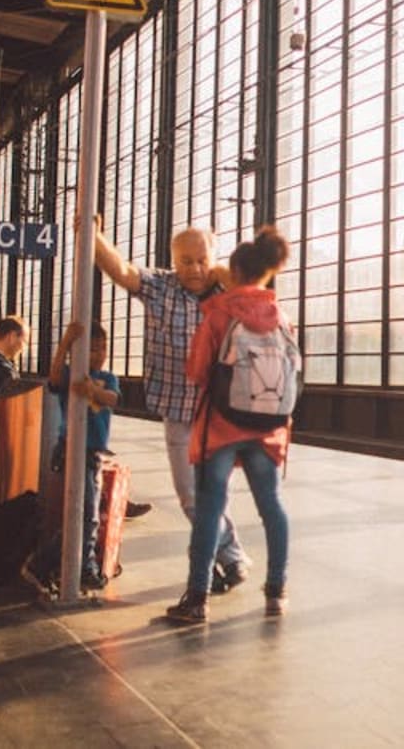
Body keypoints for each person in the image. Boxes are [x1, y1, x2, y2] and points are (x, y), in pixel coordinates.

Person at [93, 219, 244, 575]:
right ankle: (232, 555)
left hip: (220, 414)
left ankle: (228, 563)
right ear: (174, 262)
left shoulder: (227, 292)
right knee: (191, 499)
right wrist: (94, 237)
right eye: (186, 261)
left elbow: (258, 291)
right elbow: (122, 271)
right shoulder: (160, 287)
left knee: (213, 496)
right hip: (178, 412)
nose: (195, 268)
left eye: (203, 259)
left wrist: (220, 270)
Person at [170, 228, 295, 622]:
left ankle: (197, 599)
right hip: (268, 428)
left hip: (222, 427)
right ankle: (276, 591)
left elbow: (196, 371)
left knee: (209, 508)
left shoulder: (219, 313)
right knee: (272, 507)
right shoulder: (281, 317)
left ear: (233, 271)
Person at [24, 321, 121, 594]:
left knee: (85, 513)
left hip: (93, 455)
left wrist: (93, 392)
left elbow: (112, 399)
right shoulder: (70, 375)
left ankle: (54, 565)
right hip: (72, 450)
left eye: (103, 349)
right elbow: (54, 378)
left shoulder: (108, 378)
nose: (99, 355)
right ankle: (73, 566)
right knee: (86, 514)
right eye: (92, 350)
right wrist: (65, 344)